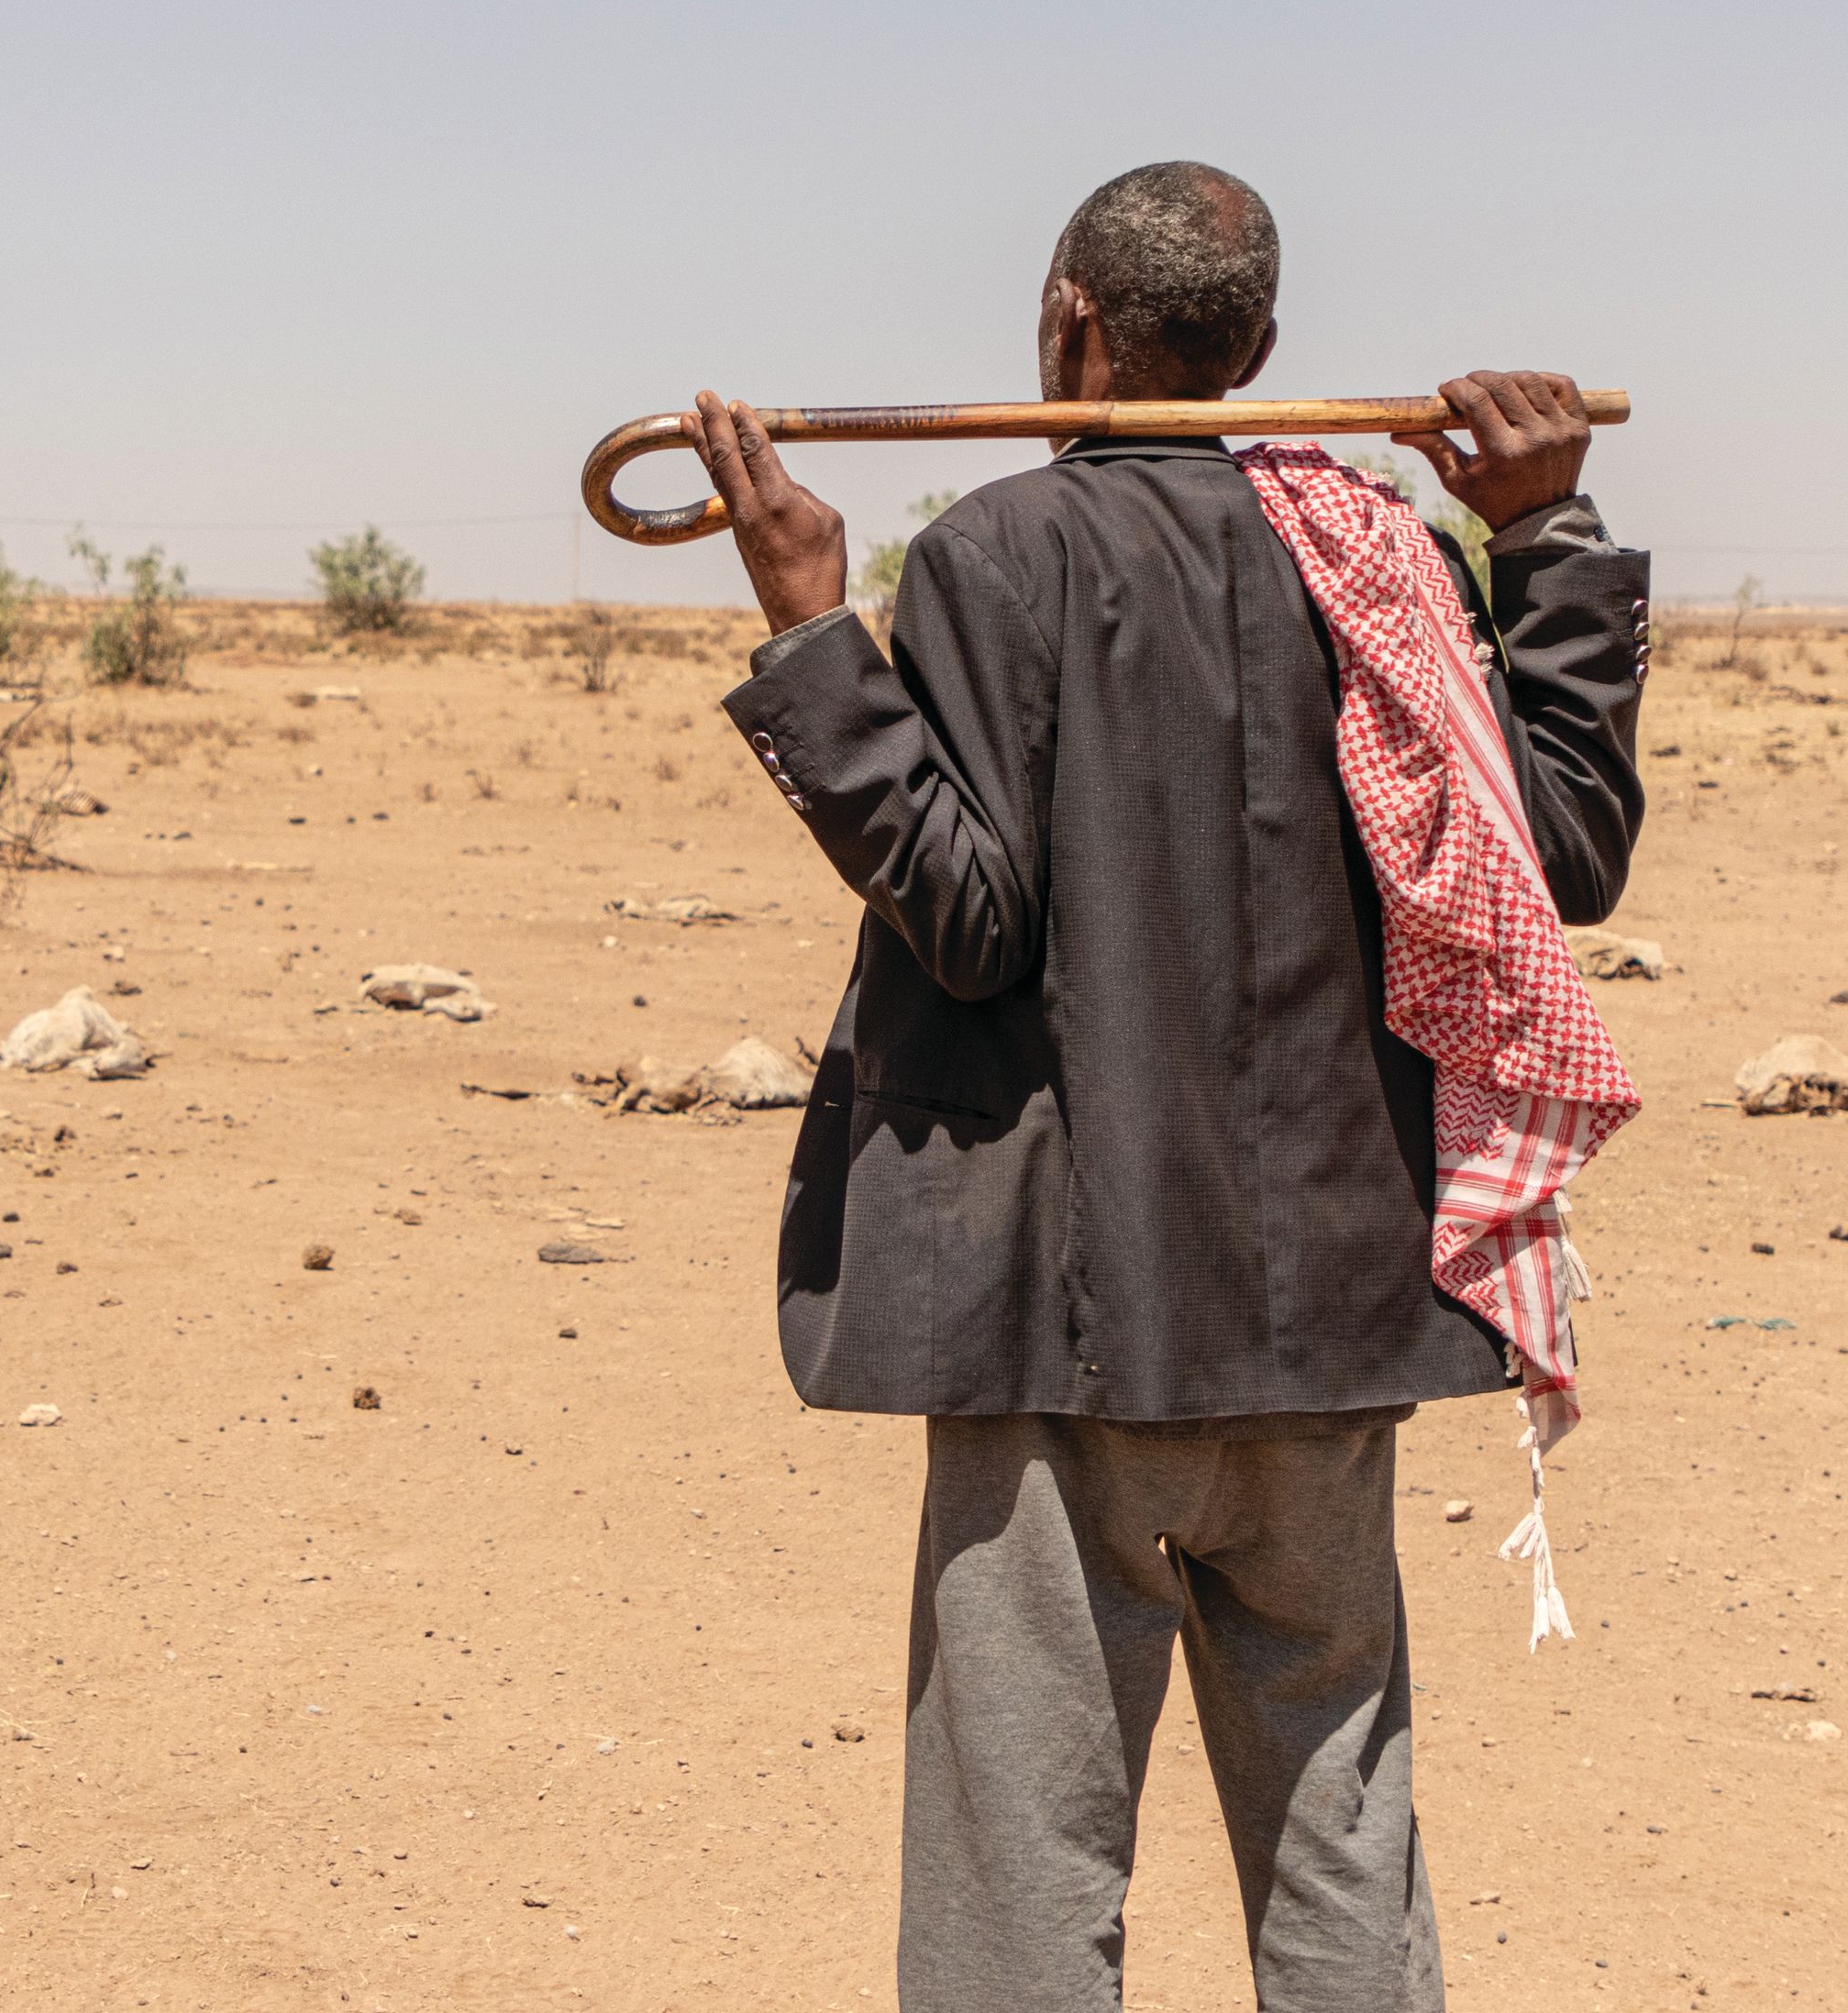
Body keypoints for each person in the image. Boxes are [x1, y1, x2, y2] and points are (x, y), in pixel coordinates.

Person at [688, 160, 1651, 2013]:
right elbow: (1565, 856)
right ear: (1262, 352)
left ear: (1065, 322)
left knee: (1018, 1856)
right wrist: (1546, 538)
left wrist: (812, 631)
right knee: (1338, 1831)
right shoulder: (1384, 556)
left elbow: (966, 920)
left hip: (1068, 1321)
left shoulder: (994, 554)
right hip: (1327, 1327)